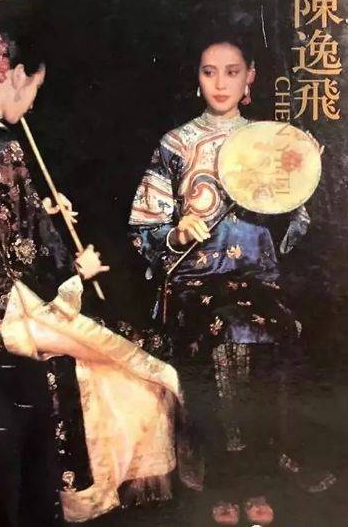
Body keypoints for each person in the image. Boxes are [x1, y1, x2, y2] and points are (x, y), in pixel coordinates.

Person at [0, 31, 181, 524]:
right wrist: (77, 271)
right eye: (35, 88)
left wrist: (38, 207)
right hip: (6, 311)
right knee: (143, 366)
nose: (33, 102)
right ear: (16, 75)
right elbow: (24, 253)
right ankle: (86, 499)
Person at [128, 29, 332, 525]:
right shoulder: (176, 143)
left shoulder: (270, 141)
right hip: (194, 281)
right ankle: (219, 476)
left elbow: (293, 226)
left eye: (232, 72)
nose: (220, 83)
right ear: (197, 79)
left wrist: (300, 171)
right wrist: (177, 233)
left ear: (250, 79)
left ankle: (259, 473)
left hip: (255, 281)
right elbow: (145, 226)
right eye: (209, 72)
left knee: (274, 330)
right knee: (221, 333)